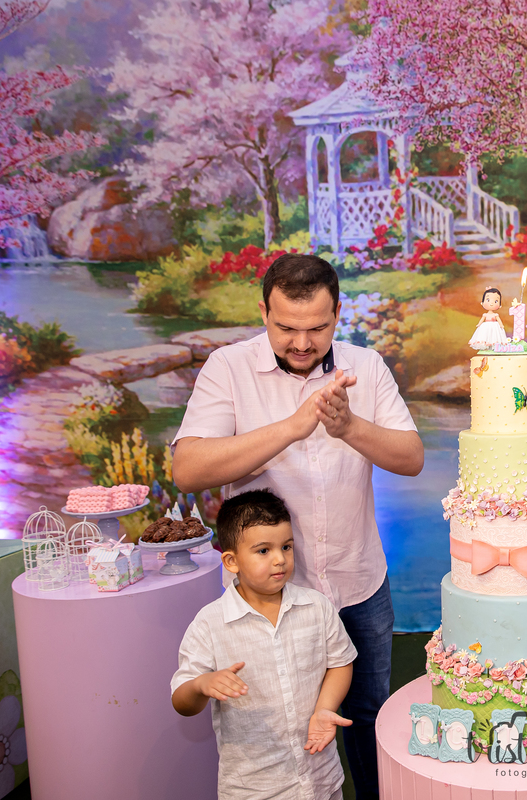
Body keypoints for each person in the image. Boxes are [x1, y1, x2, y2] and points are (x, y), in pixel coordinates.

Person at [171, 253, 425, 800]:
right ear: (264, 312)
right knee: (276, 719)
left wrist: (349, 426)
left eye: (317, 328)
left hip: (359, 584)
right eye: (287, 327)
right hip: (271, 601)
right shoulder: (228, 368)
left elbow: (411, 458)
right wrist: (291, 426)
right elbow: (187, 469)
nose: (303, 343)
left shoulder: (366, 365)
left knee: (367, 716)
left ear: (338, 314)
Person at [172, 489, 357, 799]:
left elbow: (340, 661)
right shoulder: (210, 623)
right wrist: (202, 684)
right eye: (263, 550)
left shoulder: (316, 606)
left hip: (320, 777)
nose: (279, 559)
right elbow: (182, 701)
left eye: (286, 546)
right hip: (254, 788)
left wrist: (325, 708)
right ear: (231, 561)